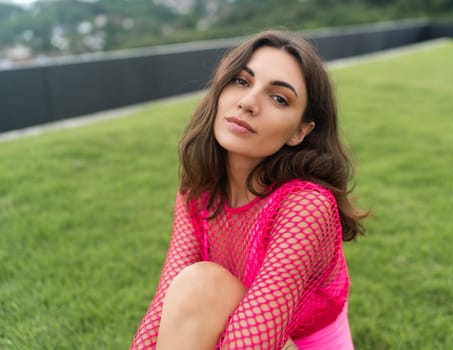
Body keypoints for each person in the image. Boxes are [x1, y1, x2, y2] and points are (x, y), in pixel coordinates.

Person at [130, 29, 367, 350]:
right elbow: (163, 306)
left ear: (300, 131)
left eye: (279, 98)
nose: (248, 103)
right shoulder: (198, 189)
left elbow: (250, 342)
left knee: (202, 286)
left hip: (299, 337)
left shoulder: (307, 205)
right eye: (241, 81)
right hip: (224, 313)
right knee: (194, 286)